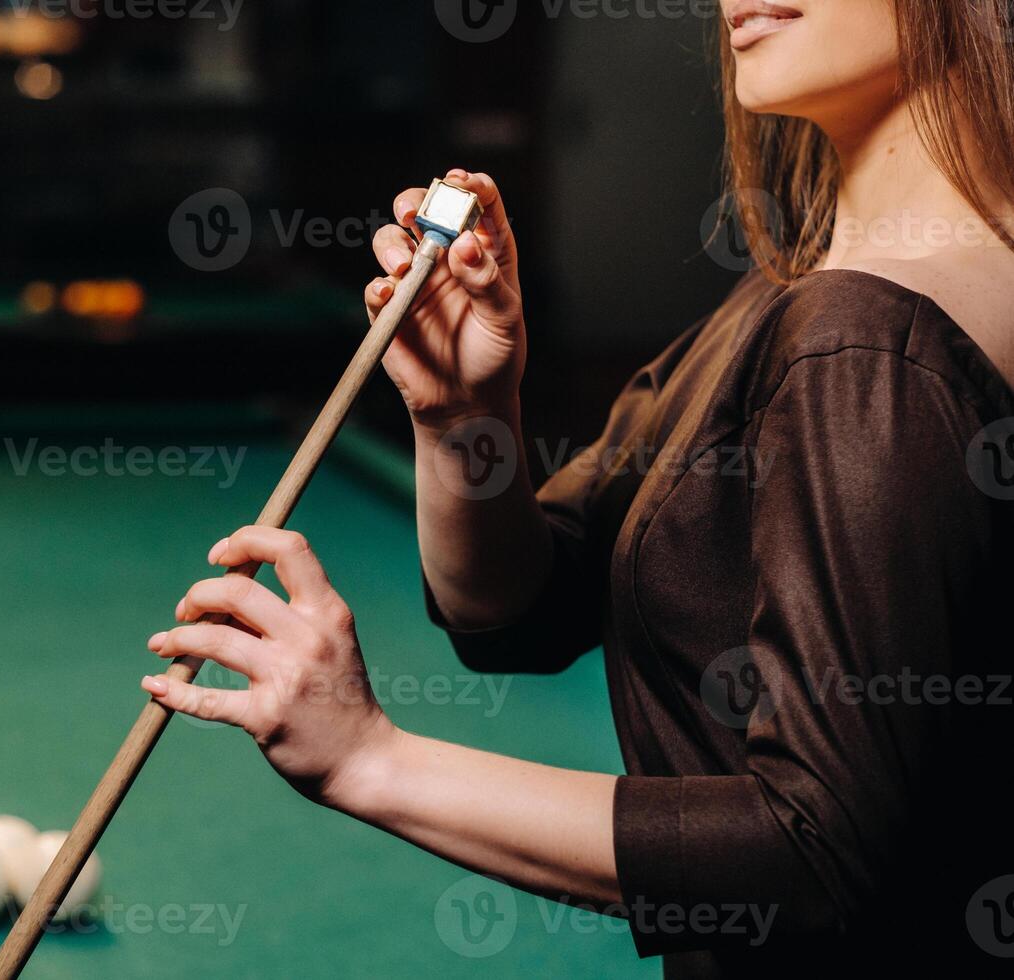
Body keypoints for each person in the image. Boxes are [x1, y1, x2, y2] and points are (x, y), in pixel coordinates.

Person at [141, 2, 1014, 974]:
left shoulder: (865, 334)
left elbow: (817, 851)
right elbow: (518, 608)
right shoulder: (796, 290)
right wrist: (464, 412)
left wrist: (371, 759)